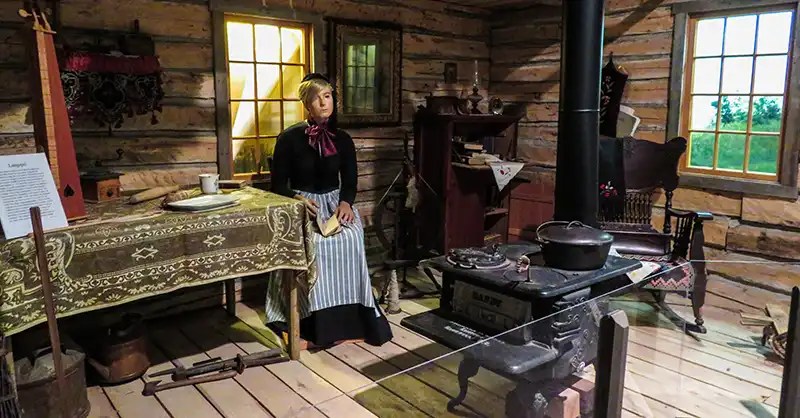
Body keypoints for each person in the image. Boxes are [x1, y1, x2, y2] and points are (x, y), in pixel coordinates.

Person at [264, 73, 393, 348]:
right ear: (306, 104)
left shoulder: (342, 139)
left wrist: (346, 203)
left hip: (334, 203)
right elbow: (277, 185)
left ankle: (353, 320)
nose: (324, 102)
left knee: (350, 236)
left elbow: (350, 180)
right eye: (316, 97)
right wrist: (296, 198)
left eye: (328, 96)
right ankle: (313, 324)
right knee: (316, 246)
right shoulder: (288, 139)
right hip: (302, 204)